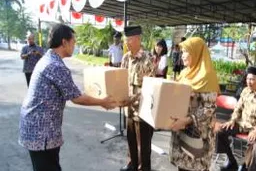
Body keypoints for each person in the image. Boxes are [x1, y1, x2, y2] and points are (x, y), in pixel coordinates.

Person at [19, 24, 120, 171]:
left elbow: (73, 92)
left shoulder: (49, 59)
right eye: (73, 41)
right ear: (64, 42)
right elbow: (77, 97)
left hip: (37, 129)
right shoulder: (56, 66)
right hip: (41, 133)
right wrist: (102, 102)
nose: (75, 44)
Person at [169, 37, 220, 171]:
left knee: (194, 166)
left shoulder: (207, 76)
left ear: (196, 52)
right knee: (182, 166)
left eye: (186, 51)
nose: (182, 55)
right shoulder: (185, 73)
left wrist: (187, 120)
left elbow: (209, 109)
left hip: (197, 134)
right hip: (181, 130)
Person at [215, 66, 256, 171]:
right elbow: (238, 108)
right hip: (242, 124)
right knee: (220, 131)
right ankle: (231, 160)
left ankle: (246, 167)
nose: (249, 82)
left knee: (254, 142)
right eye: (248, 79)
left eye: (252, 79)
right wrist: (233, 120)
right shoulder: (245, 91)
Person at [120, 26, 156, 171]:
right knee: (131, 142)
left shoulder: (148, 59)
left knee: (144, 147)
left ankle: (143, 168)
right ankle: (132, 166)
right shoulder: (126, 57)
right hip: (129, 110)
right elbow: (121, 80)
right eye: (126, 39)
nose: (126, 42)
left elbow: (151, 87)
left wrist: (133, 98)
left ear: (138, 39)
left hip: (143, 112)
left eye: (129, 39)